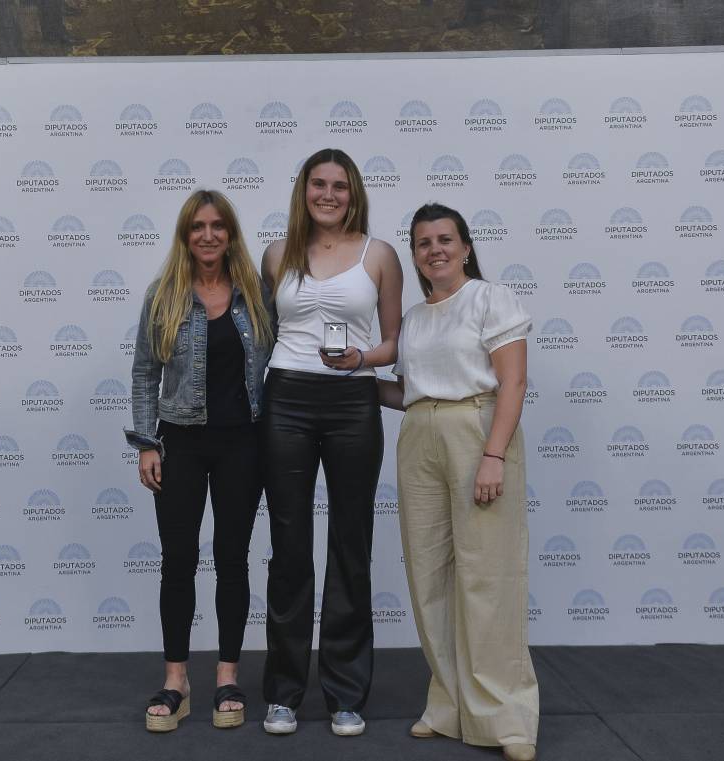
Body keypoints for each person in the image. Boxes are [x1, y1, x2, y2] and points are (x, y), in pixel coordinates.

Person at [377, 203, 539, 761]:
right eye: (423, 243)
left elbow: (513, 383)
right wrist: (355, 381)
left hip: (477, 430)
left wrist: (493, 454)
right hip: (419, 434)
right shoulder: (417, 319)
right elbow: (411, 391)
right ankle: (448, 702)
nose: (435, 250)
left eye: (445, 239)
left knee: (487, 575)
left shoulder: (491, 299)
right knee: (430, 575)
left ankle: (506, 716)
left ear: (466, 245)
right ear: (415, 255)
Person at [259, 148, 403, 736]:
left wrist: (360, 360)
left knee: (350, 543)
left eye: (339, 186)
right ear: (303, 191)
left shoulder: (381, 255)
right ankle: (284, 693)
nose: (328, 194)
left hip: (352, 402)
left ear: (354, 192)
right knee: (290, 545)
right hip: (286, 400)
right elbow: (264, 335)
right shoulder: (275, 254)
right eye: (317, 184)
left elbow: (394, 344)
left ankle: (345, 694)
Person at [126, 189, 274, 732]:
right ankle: (176, 682)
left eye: (218, 226)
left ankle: (227, 677)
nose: (208, 235)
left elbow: (281, 361)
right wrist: (146, 442)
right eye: (197, 227)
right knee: (178, 561)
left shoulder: (255, 296)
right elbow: (144, 372)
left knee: (234, 560)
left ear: (231, 234)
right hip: (180, 444)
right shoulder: (163, 295)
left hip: (244, 445)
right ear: (185, 236)